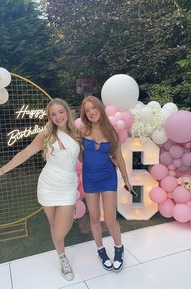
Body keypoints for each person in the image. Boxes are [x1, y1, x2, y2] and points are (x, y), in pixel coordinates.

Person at [0, 98, 80, 281]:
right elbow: (24, 154)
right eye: (53, 114)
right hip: (48, 186)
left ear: (67, 112)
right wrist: (2, 170)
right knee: (55, 226)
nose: (58, 117)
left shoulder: (76, 133)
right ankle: (62, 258)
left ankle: (71, 213)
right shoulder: (45, 135)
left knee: (61, 229)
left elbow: (83, 157)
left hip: (68, 186)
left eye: (60, 112)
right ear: (50, 117)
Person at [80, 96, 131, 272]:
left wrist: (127, 180)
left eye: (94, 108)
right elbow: (80, 155)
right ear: (85, 114)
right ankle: (101, 250)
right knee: (94, 218)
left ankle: (119, 248)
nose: (92, 112)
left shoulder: (112, 132)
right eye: (87, 110)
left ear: (100, 108)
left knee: (110, 219)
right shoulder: (82, 131)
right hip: (89, 178)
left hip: (108, 177)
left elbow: (120, 158)